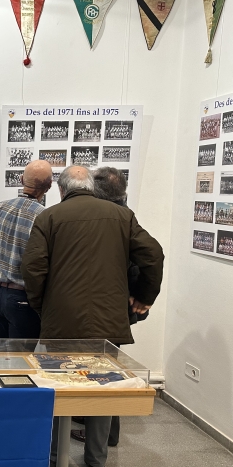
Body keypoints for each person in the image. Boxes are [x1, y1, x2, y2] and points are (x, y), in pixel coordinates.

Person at [21, 165, 164, 467]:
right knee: (104, 388)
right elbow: (153, 255)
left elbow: (32, 267)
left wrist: (41, 306)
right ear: (90, 186)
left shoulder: (49, 218)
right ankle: (97, 462)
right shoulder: (121, 217)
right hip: (107, 320)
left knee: (60, 388)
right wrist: (144, 297)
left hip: (61, 321)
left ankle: (57, 459)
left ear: (61, 189)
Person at [70, 167, 150, 448]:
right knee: (108, 368)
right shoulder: (125, 215)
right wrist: (143, 296)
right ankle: (101, 433)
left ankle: (101, 436)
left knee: (101, 372)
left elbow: (147, 258)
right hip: (118, 307)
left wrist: (142, 296)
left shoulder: (113, 218)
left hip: (104, 306)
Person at [0, 160, 53, 339]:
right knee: (21, 362)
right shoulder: (44, 217)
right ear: (48, 186)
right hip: (23, 298)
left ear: (21, 179)